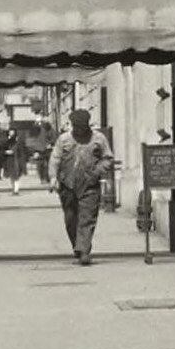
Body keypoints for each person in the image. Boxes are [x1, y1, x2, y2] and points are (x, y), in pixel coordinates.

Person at [51, 110, 115, 265]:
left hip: (89, 184)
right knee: (70, 219)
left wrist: (97, 171)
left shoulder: (98, 138)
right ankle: (77, 246)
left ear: (88, 125)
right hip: (67, 185)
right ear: (72, 125)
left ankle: (84, 250)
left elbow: (108, 158)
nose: (79, 130)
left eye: (82, 126)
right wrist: (53, 177)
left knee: (87, 218)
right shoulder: (64, 139)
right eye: (77, 126)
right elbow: (55, 159)